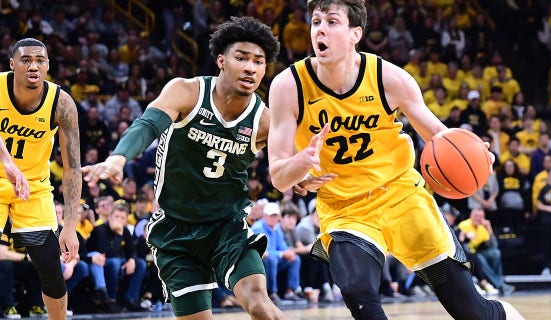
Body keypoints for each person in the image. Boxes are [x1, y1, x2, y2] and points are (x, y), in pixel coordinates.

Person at [267, 1, 524, 319]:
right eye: (316, 21)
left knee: (472, 312)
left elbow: (438, 135)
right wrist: (302, 161)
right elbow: (279, 176)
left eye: (332, 22)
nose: (320, 28)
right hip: (345, 209)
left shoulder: (388, 78)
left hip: (402, 196)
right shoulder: (288, 86)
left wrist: (472, 150)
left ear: (354, 34)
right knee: (357, 290)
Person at [81, 17, 284, 320]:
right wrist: (118, 158)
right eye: (241, 58)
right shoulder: (187, 92)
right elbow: (147, 124)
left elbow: (286, 162)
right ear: (221, 61)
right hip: (176, 229)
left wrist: (305, 174)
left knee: (259, 304)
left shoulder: (264, 120)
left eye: (259, 61)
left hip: (226, 226)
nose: (250, 67)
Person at [0, 38, 82, 320]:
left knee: (49, 264)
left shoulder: (61, 103)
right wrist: (7, 163)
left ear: (47, 65)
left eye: (40, 60)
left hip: (32, 188)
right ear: (12, 65)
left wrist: (70, 225)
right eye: (26, 60)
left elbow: (72, 167)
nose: (33, 66)